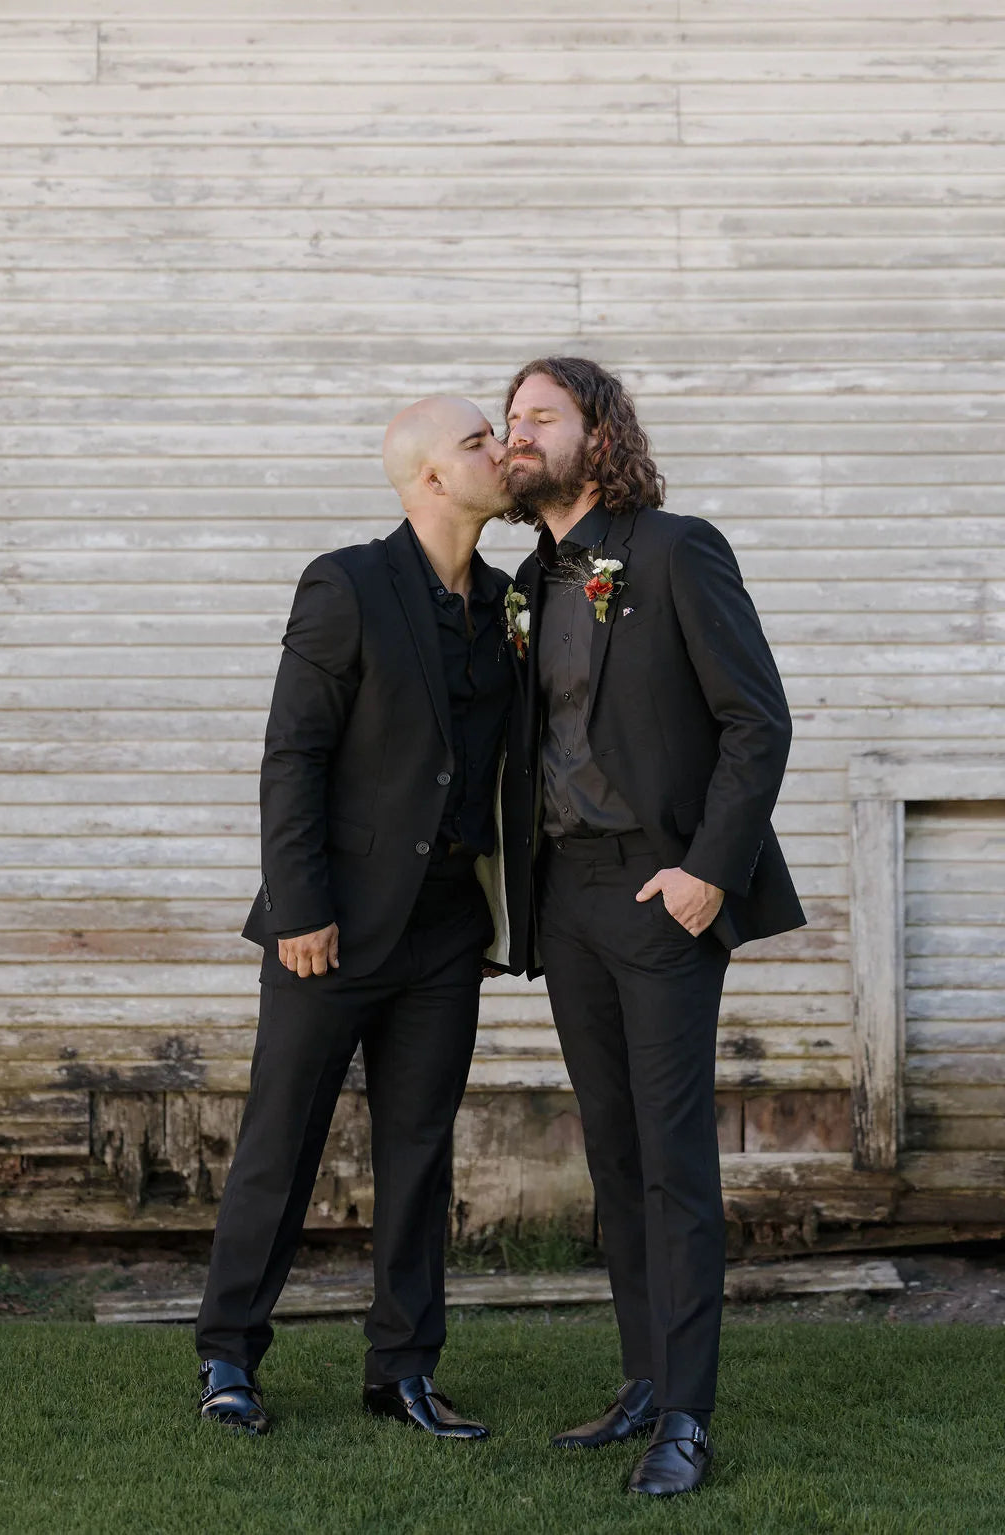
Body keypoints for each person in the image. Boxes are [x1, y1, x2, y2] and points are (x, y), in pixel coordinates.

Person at [195, 396, 531, 1440]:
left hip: (444, 930)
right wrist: (301, 906)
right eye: (480, 440)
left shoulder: (514, 598)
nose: (501, 449)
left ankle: (402, 1370)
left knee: (421, 1152)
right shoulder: (345, 583)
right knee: (280, 1143)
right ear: (431, 478)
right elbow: (291, 754)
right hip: (328, 930)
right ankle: (228, 1354)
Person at [504, 356, 805, 1498]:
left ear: (599, 431)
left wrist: (704, 875)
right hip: (566, 898)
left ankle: (685, 1416)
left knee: (675, 1160)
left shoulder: (678, 550)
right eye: (510, 416)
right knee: (615, 1150)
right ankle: (642, 1376)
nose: (519, 431)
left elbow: (755, 719)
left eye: (542, 414)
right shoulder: (530, 574)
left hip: (658, 889)